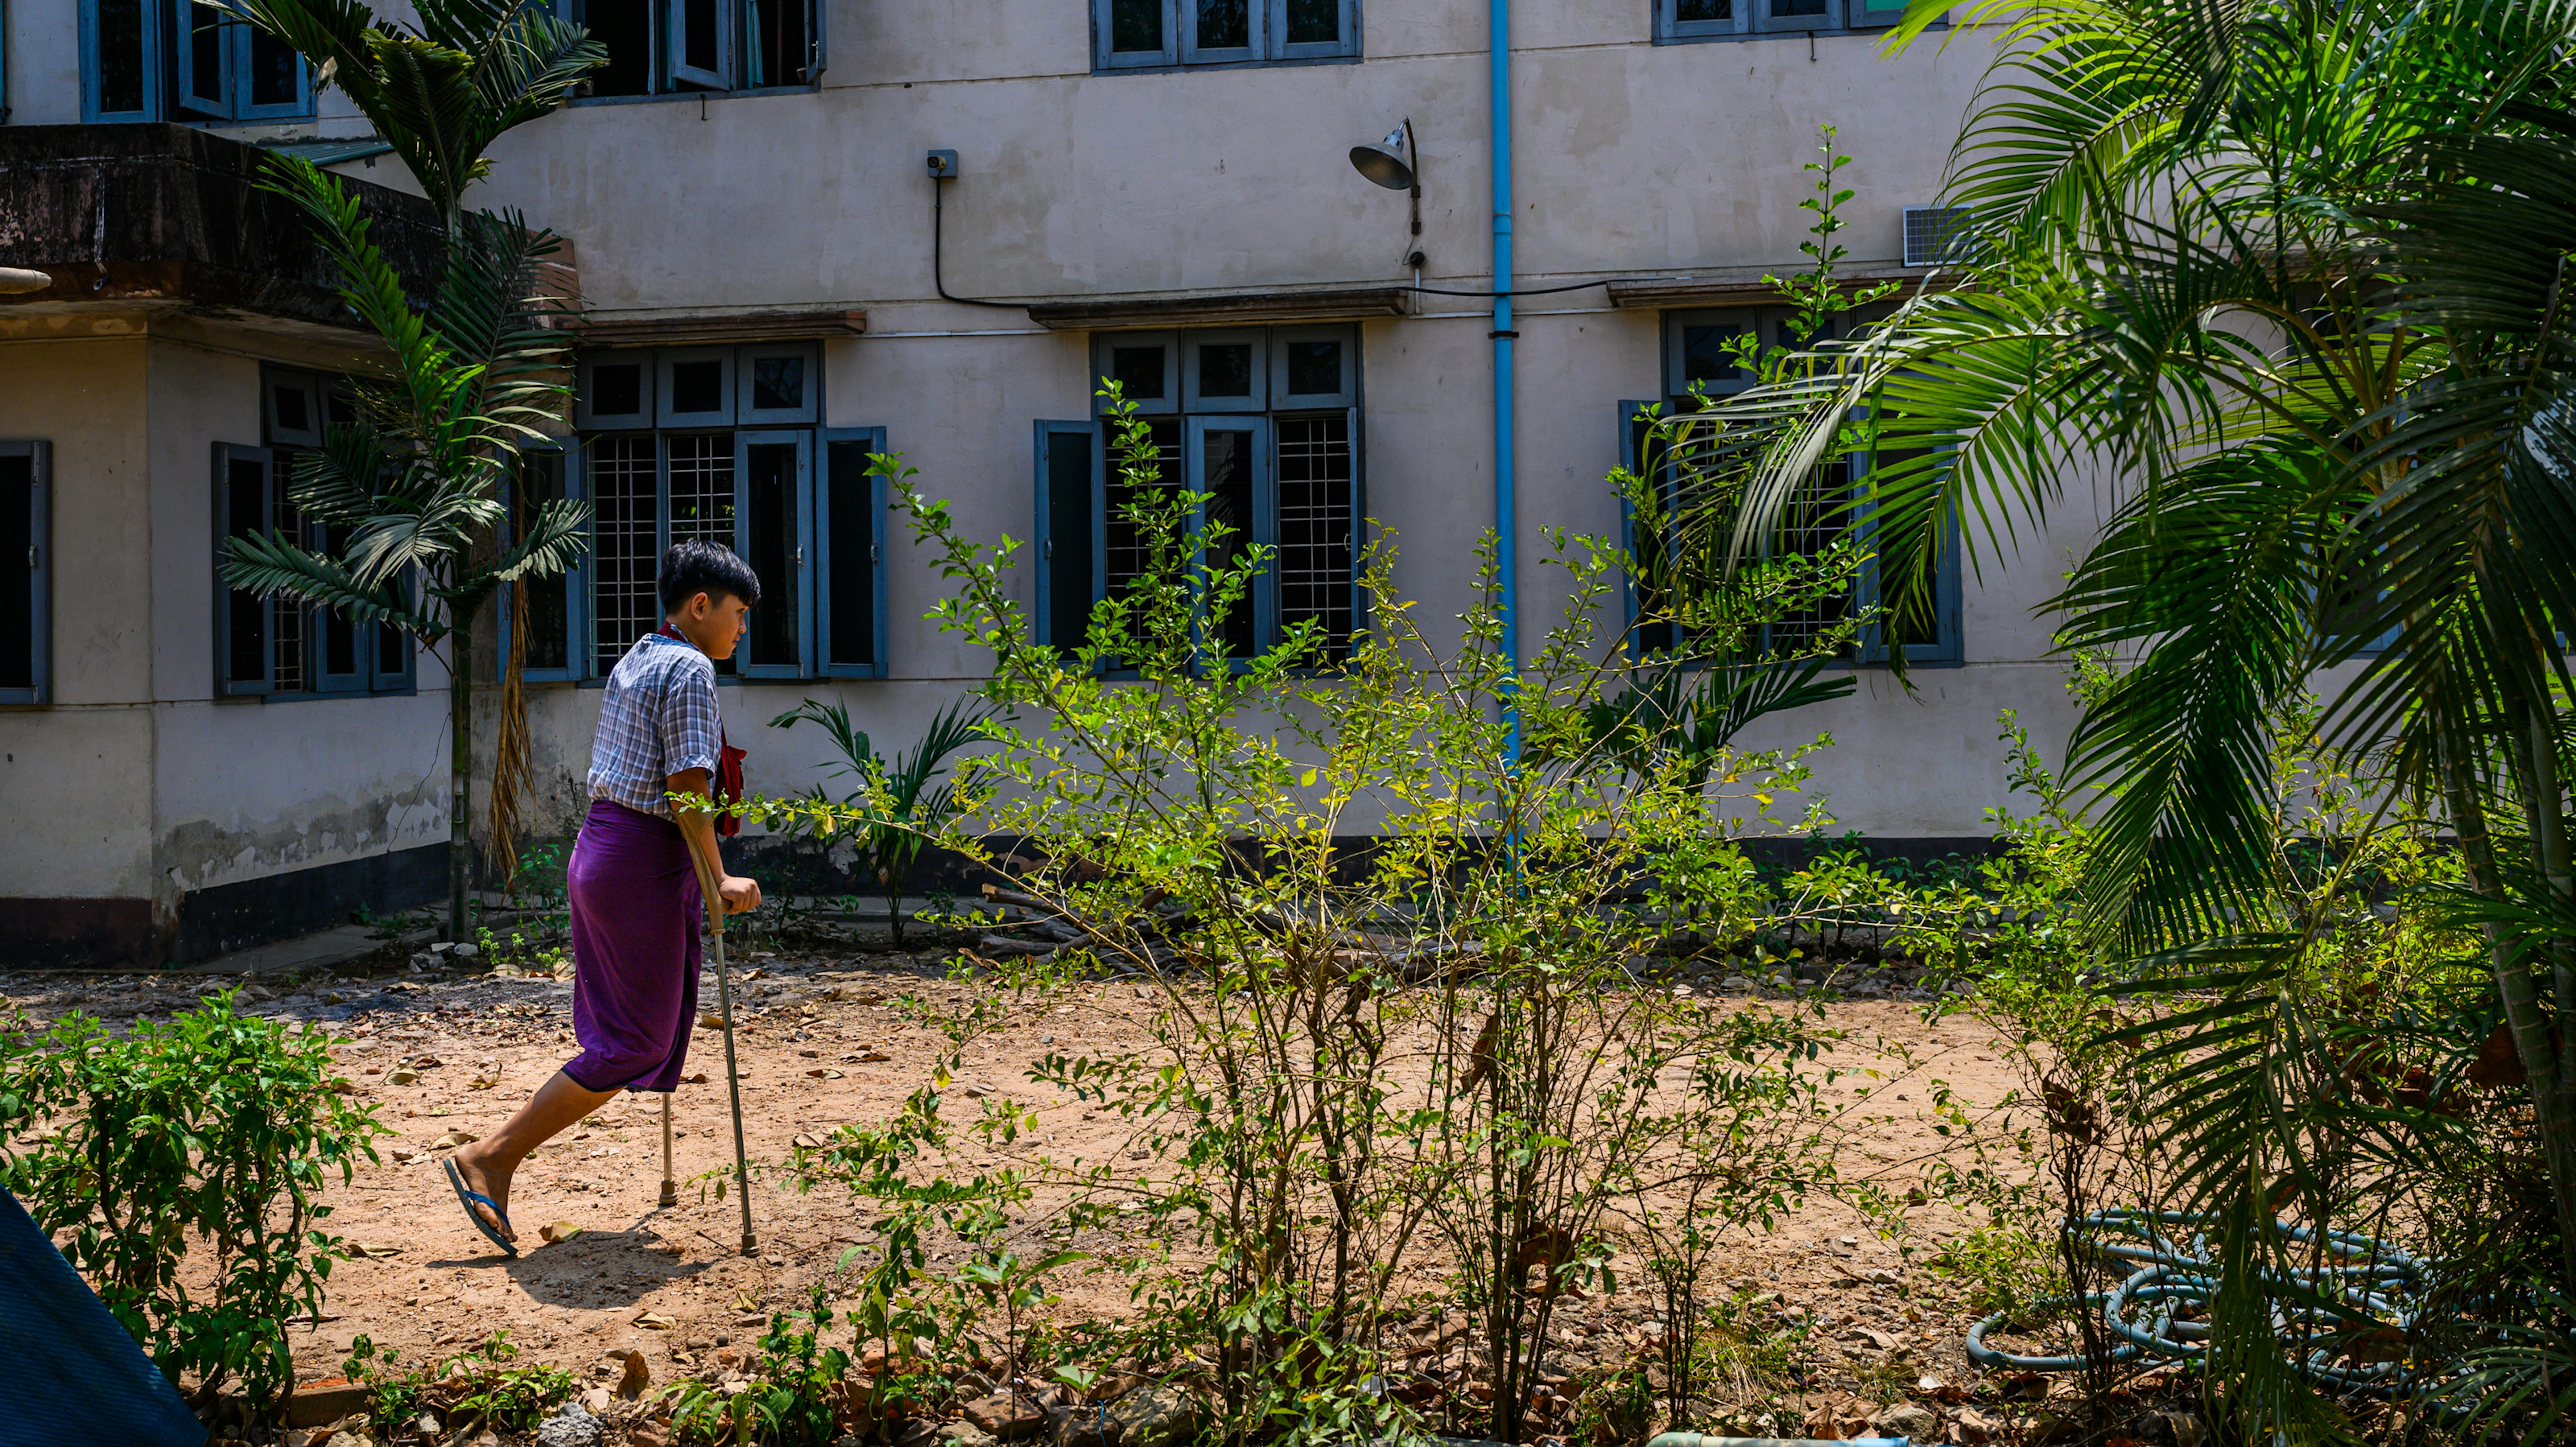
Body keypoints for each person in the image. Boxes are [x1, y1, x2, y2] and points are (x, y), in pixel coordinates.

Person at [445, 540, 765, 1254]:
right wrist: (719, 879)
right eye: (738, 613)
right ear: (701, 606)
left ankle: (494, 1156)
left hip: (603, 850)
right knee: (636, 1040)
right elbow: (686, 787)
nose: (742, 629)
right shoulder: (687, 668)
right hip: (642, 863)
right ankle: (492, 1155)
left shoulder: (638, 656)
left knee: (630, 1032)